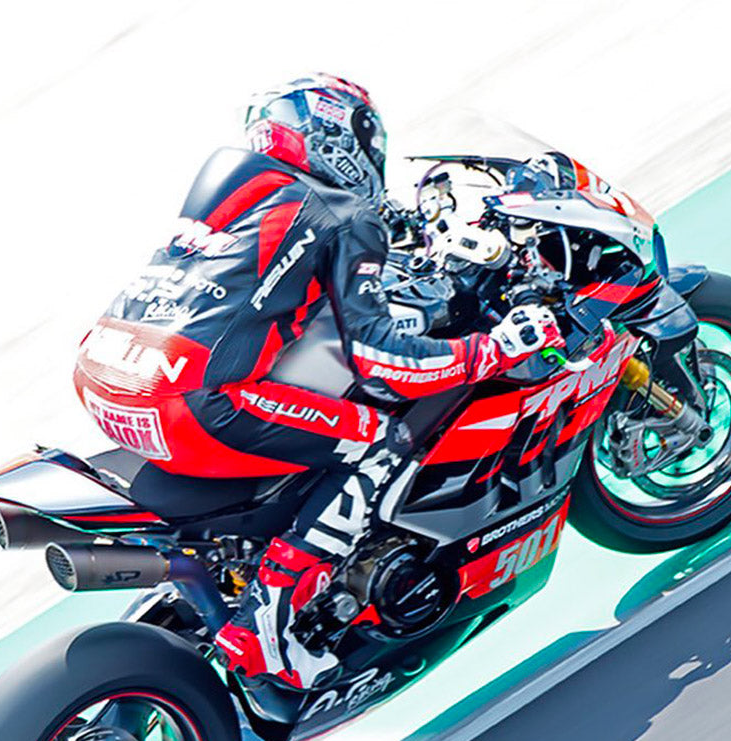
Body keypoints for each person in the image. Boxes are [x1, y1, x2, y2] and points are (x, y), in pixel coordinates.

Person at [74, 73, 563, 690]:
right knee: (378, 441)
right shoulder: (341, 213)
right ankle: (269, 626)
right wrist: (491, 348)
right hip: (192, 401)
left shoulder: (248, 189)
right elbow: (380, 360)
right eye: (367, 137)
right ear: (337, 138)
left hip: (108, 376)